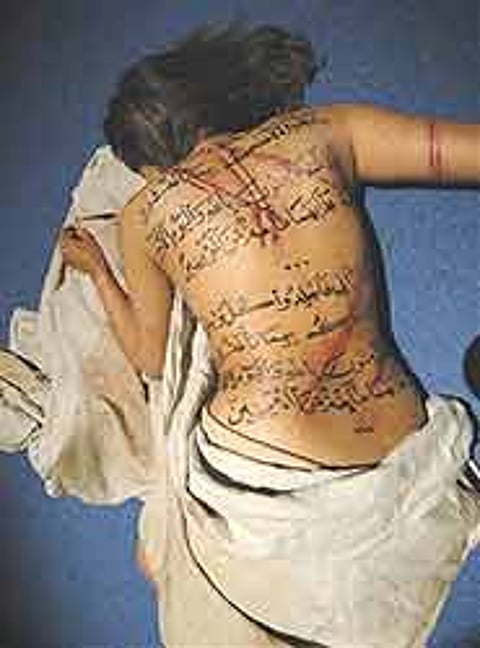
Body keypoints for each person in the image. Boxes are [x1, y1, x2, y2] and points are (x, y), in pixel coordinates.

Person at [59, 24, 480, 647]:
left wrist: (99, 271)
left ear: (151, 165)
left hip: (264, 474)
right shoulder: (326, 130)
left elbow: (150, 357)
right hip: (400, 450)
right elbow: (457, 151)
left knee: (158, 558)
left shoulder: (144, 212)